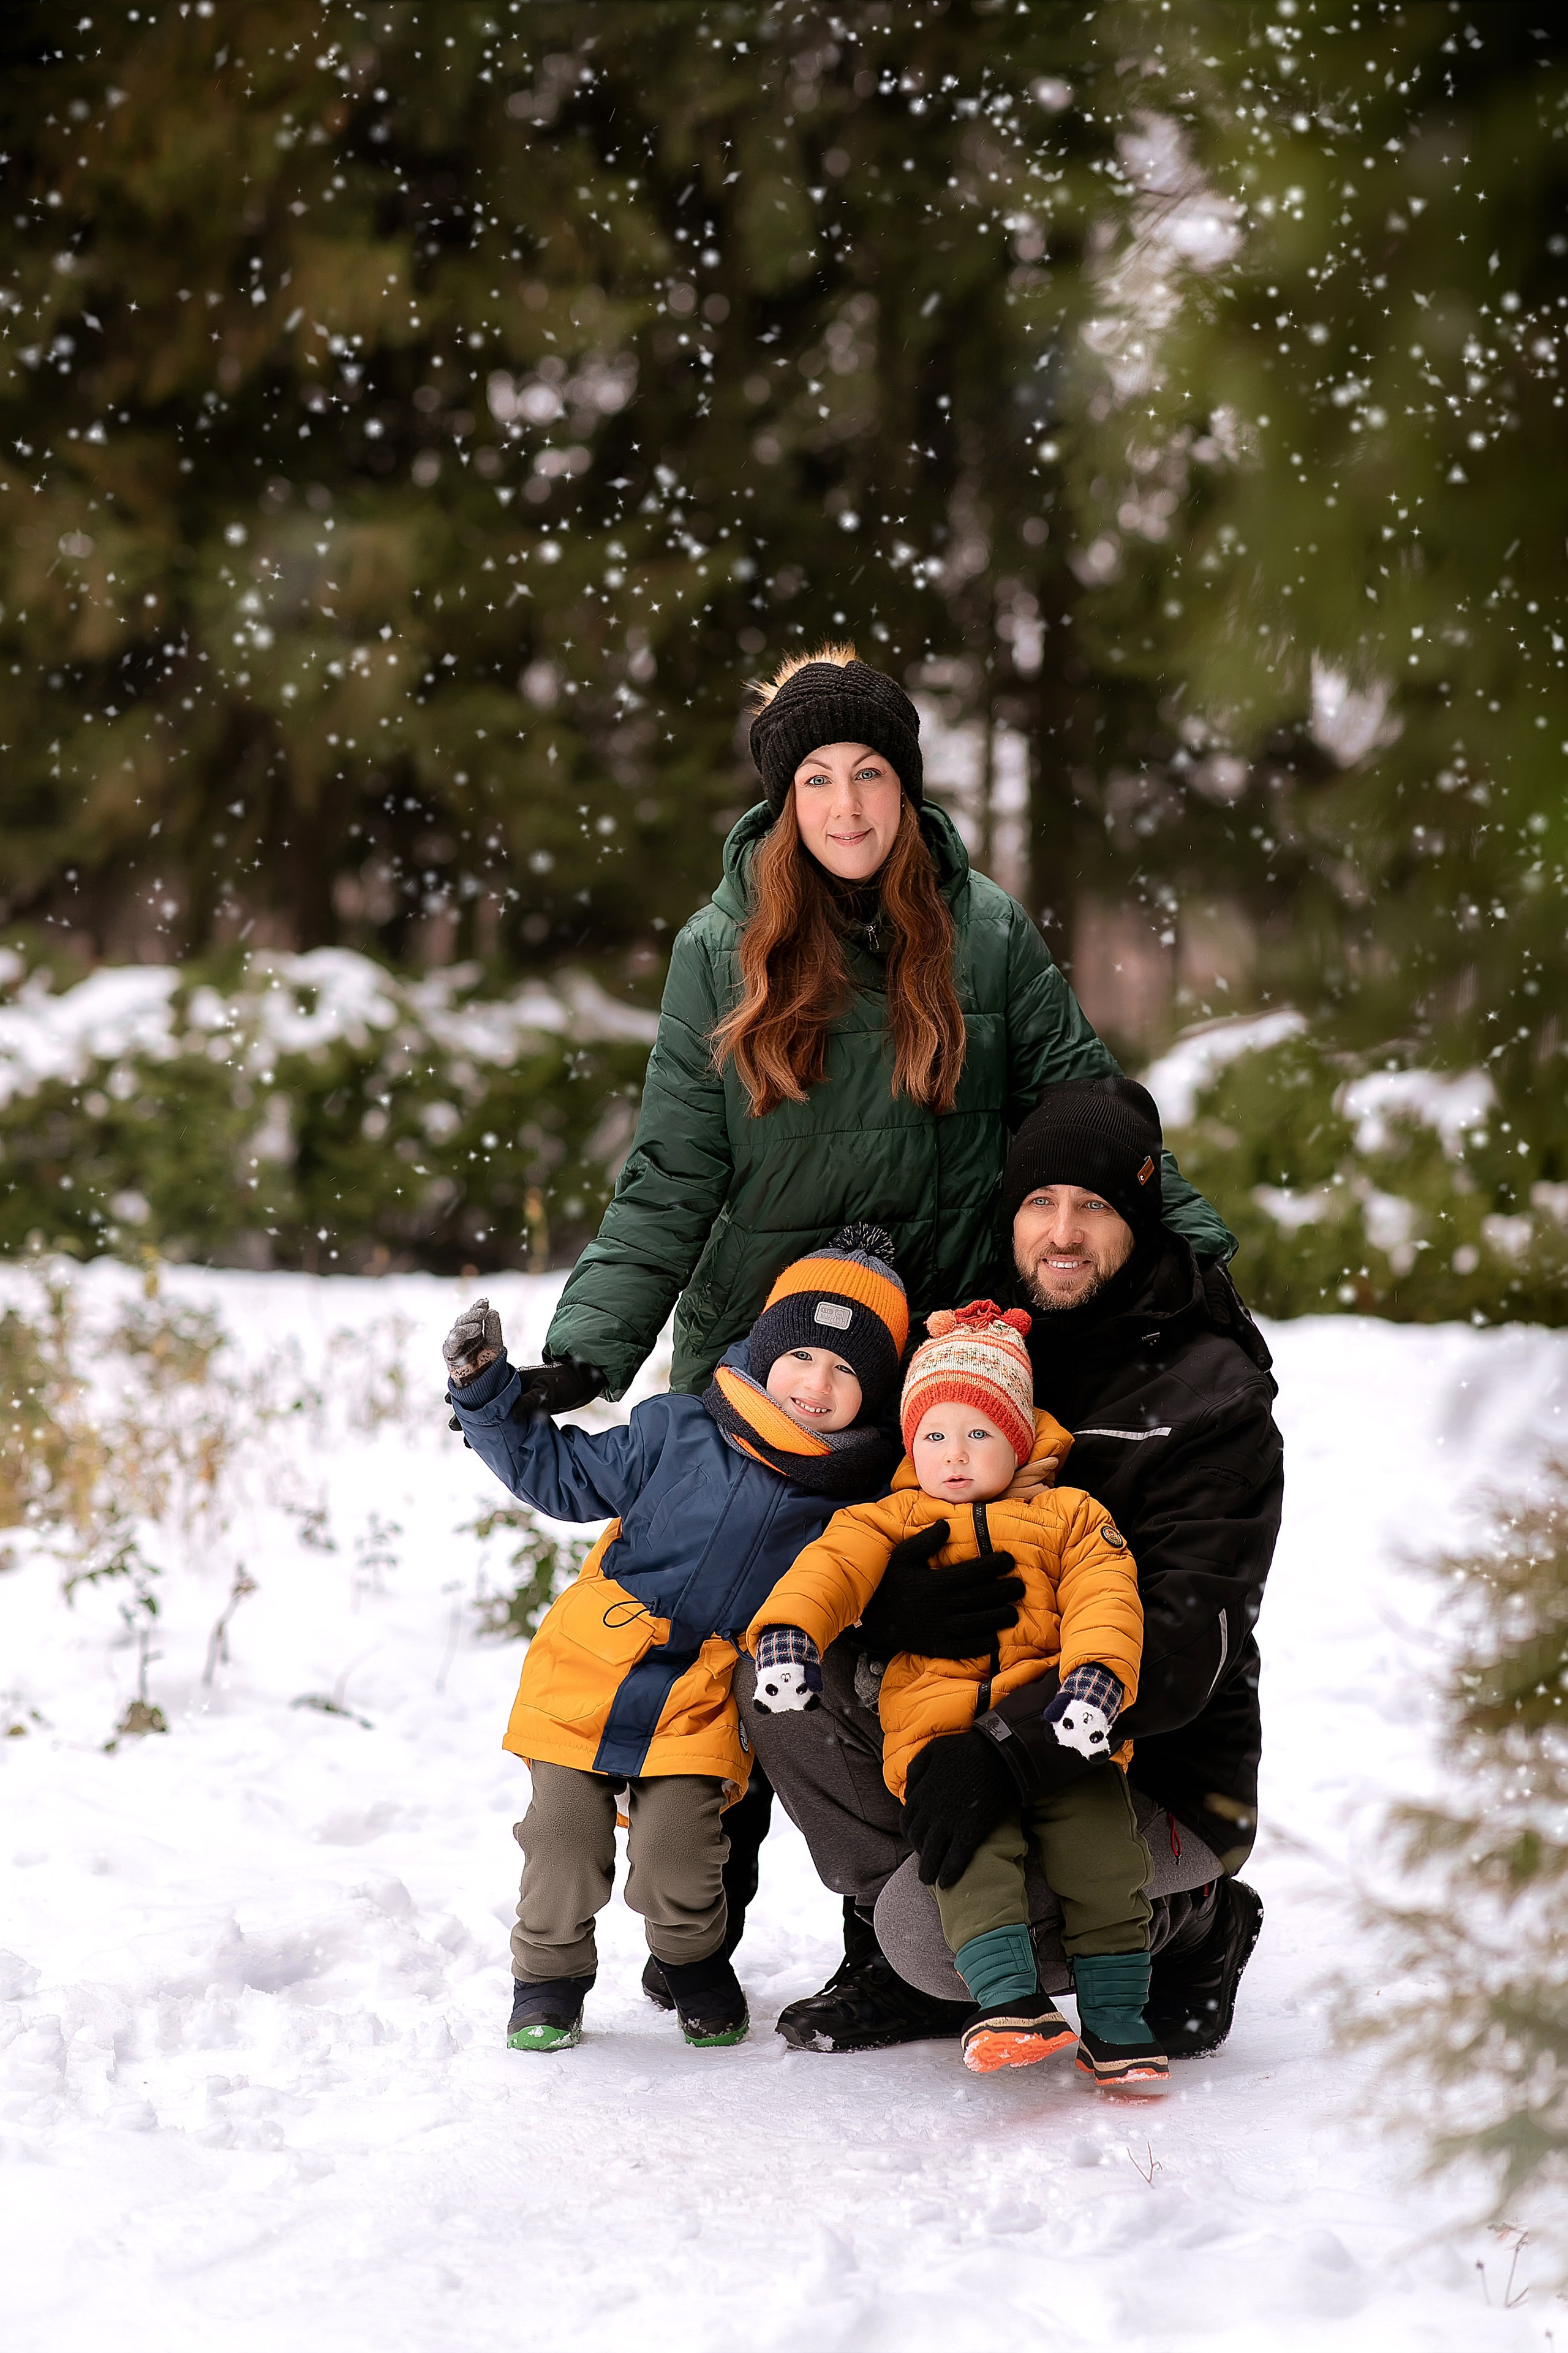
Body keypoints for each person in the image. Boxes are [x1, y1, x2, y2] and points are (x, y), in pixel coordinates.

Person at [497, 643, 1234, 1967]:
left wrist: (1197, 1253)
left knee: (916, 1629)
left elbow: (1080, 1096)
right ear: (783, 800)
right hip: (762, 1359)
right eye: (817, 779)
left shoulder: (982, 931)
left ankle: (888, 1935)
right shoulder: (720, 950)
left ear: (908, 784)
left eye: (870, 774)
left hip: (930, 1363)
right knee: (732, 1630)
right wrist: (586, 1349)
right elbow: (671, 1173)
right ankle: (698, 1935)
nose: (846, 805)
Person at [739, 1075, 1283, 2058]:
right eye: (1040, 1200)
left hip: (1143, 1757)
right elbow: (856, 1528)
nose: (1062, 1233)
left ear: (1141, 1211)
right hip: (956, 1704)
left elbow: (1183, 1644)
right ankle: (892, 1942)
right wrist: (884, 1611)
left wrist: (1003, 1749)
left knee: (931, 1937)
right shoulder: (974, 1341)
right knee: (778, 1672)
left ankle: (1195, 1916)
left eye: (1094, 1204)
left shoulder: (1211, 1391)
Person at [442, 1228, 908, 2052]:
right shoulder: (679, 1429)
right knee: (562, 1838)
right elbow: (564, 1476)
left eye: (845, 1371)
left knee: (680, 1852)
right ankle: (547, 1978)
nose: (816, 1384)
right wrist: (486, 1394)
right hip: (595, 1666)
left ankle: (692, 1964)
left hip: (706, 1691)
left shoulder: (859, 1495)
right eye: (802, 1355)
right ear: (765, 1351)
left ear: (872, 1394)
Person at [748, 1300, 1169, 2092]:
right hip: (941, 1741)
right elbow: (826, 1571)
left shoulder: (1071, 1515)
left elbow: (1107, 1600)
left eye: (979, 1433)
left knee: (1104, 1859)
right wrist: (789, 1635)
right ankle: (1010, 2003)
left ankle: (1118, 2018)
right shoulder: (888, 1519)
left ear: (1019, 1439)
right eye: (934, 1435)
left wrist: (1095, 1682)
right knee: (972, 1857)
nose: (956, 1455)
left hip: (1057, 1732)